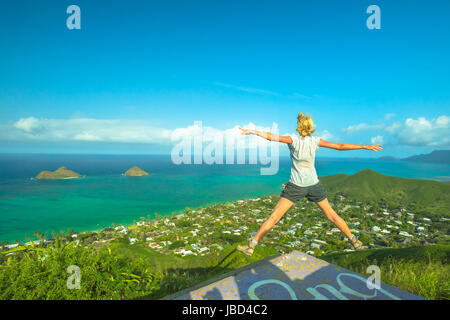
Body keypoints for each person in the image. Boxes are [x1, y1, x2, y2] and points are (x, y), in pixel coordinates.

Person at [236, 112, 382, 256]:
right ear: (311, 127)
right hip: (314, 185)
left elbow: (271, 137)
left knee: (274, 217)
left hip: (295, 186)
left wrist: (252, 131)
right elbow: (340, 146)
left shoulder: (292, 139)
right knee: (332, 216)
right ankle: (353, 240)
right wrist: (364, 146)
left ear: (298, 126)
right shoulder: (316, 141)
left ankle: (252, 246)